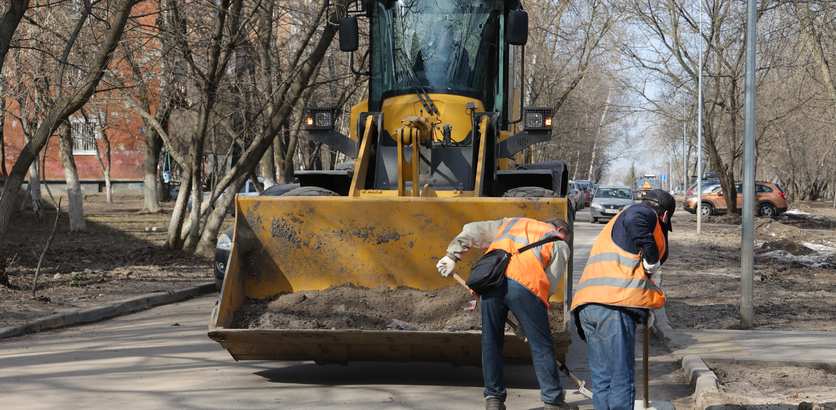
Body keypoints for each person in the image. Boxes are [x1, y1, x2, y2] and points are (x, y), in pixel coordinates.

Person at [437, 217, 573, 410]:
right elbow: (548, 285)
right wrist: (530, 325)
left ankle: (494, 399)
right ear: (560, 229)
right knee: (541, 345)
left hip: (491, 282)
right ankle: (553, 401)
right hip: (525, 286)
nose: (565, 240)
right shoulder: (559, 242)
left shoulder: (512, 223)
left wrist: (451, 256)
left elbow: (472, 229)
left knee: (491, 342)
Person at [570, 189, 675, 409]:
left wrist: (645, 309)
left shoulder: (615, 227)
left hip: (587, 307)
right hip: (613, 308)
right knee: (620, 378)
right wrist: (651, 257)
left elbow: (628, 272)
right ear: (664, 216)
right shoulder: (641, 212)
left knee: (602, 379)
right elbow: (636, 218)